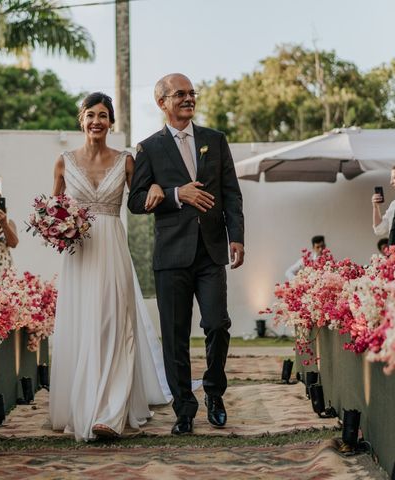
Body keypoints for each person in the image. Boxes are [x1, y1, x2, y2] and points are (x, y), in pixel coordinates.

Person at [49, 92, 171, 441]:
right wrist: (57, 226)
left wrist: (158, 188)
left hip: (113, 245)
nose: (97, 121)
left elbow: (140, 199)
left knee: (116, 323)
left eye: (103, 115)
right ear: (81, 120)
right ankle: (83, 402)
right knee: (84, 323)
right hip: (79, 252)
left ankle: (111, 412)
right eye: (91, 115)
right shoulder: (63, 161)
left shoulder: (126, 161)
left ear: (111, 122)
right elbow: (52, 209)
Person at [128, 74, 245, 435]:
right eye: (180, 94)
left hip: (211, 252)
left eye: (191, 93)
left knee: (217, 325)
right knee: (175, 334)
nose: (188, 98)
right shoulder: (148, 148)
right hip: (171, 255)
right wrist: (177, 194)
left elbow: (232, 193)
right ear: (162, 101)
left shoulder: (215, 140)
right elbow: (135, 202)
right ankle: (184, 408)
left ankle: (214, 392)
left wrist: (236, 237)